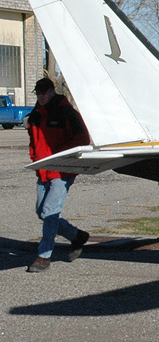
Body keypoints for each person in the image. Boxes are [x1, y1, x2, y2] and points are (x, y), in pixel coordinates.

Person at [25, 78, 91, 272]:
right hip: (43, 170)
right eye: (38, 93)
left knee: (50, 212)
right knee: (42, 212)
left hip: (62, 171)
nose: (41, 96)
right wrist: (34, 158)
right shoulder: (36, 115)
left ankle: (43, 256)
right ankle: (77, 236)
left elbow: (83, 138)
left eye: (44, 92)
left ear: (52, 91)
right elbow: (33, 140)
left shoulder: (67, 113)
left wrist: (61, 154)